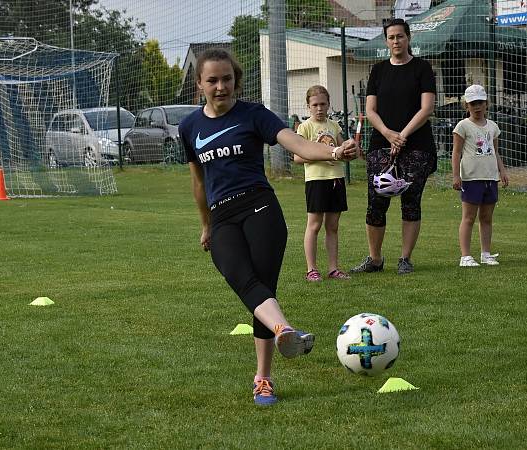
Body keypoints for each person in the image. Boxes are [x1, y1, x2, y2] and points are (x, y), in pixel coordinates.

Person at [180, 48, 359, 406]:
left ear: (236, 80)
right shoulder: (189, 127)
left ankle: (264, 378)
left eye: (227, 79)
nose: (221, 87)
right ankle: (285, 330)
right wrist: (205, 226)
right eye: (212, 80)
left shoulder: (253, 114)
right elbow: (199, 182)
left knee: (261, 288)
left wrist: (335, 153)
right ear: (199, 84)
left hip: (260, 208)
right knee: (244, 282)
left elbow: (296, 144)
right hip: (222, 218)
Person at [350, 17, 437, 276]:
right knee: (376, 201)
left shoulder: (422, 68)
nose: (396, 41)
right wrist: (389, 134)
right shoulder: (378, 70)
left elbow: (427, 108)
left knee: (411, 201)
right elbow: (370, 110)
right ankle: (375, 259)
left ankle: (405, 259)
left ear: (408, 38)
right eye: (391, 37)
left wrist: (403, 136)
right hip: (381, 144)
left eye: (400, 36)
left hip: (417, 144)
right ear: (386, 41)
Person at [293, 85, 351, 282]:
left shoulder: (335, 126)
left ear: (328, 104)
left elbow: (343, 150)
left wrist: (349, 149)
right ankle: (312, 269)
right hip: (316, 181)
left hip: (336, 179)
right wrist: (323, 156)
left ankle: (333, 268)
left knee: (333, 226)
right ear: (308, 106)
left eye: (323, 104)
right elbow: (298, 157)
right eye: (315, 104)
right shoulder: (305, 127)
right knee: (314, 225)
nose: (319, 108)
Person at [451, 85, 509, 267]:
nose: (477, 106)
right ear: (466, 106)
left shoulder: (493, 127)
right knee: (468, 217)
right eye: (472, 103)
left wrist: (502, 171)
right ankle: (465, 256)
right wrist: (455, 176)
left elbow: (495, 152)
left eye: (480, 102)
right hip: (470, 178)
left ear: (486, 104)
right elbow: (456, 152)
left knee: (486, 217)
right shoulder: (463, 126)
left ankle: (486, 253)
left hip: (490, 178)